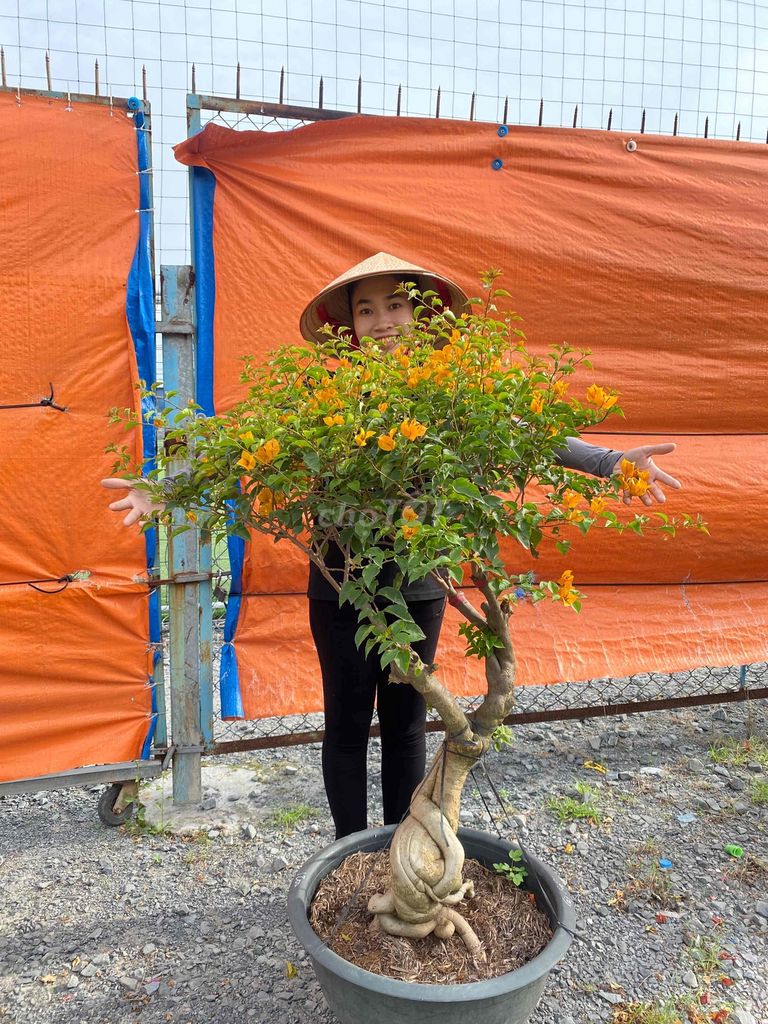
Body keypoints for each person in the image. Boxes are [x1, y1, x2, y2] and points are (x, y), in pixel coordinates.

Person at [103, 251, 682, 840]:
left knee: (407, 723)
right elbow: (238, 442)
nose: (382, 321)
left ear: (421, 313)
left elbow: (526, 430)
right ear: (347, 324)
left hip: (418, 582)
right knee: (346, 724)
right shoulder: (321, 391)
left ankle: (398, 845)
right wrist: (168, 489)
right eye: (366, 309)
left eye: (396, 304)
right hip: (338, 581)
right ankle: (352, 850)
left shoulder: (453, 393)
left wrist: (610, 463)